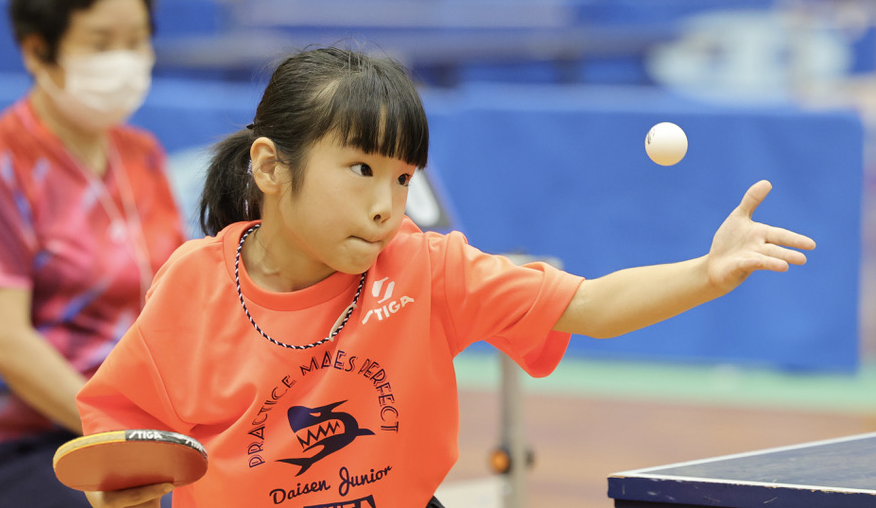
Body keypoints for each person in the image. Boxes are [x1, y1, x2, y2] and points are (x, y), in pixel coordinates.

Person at [75, 47, 816, 508]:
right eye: (361, 168)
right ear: (271, 167)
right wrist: (124, 489)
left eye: (401, 178)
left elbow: (588, 304)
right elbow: (116, 424)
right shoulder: (193, 284)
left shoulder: (424, 265)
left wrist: (708, 272)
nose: (384, 203)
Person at [0, 0, 186, 508]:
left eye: (137, 39)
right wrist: (116, 436)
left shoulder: (141, 154)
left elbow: (183, 298)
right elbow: (1, 339)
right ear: (37, 52)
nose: (125, 59)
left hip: (143, 431)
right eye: (100, 43)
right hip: (22, 444)